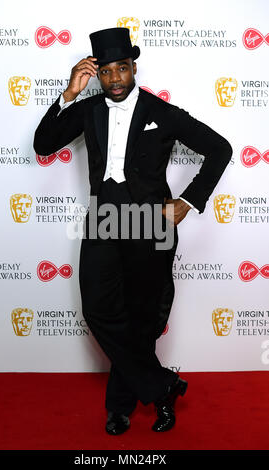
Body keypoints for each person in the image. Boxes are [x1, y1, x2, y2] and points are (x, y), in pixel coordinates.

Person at [34, 27, 233, 435]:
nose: (114, 80)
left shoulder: (162, 112)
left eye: (121, 69)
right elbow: (43, 144)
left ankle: (121, 407)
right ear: (98, 75)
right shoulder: (88, 109)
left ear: (133, 68)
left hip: (152, 223)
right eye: (105, 73)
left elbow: (221, 148)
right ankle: (162, 387)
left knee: (143, 319)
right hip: (105, 220)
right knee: (99, 310)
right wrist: (69, 94)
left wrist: (187, 200)